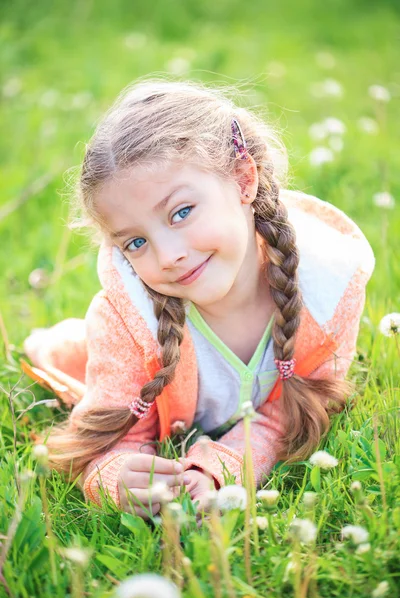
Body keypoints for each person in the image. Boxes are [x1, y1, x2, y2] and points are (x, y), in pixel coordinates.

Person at [22, 78, 375, 519]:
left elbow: (297, 406)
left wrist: (217, 466)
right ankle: (44, 343)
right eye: (135, 243)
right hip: (92, 354)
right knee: (64, 352)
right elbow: (109, 437)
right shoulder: (127, 322)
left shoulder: (327, 288)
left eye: (182, 212)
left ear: (244, 179)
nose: (168, 256)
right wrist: (113, 475)